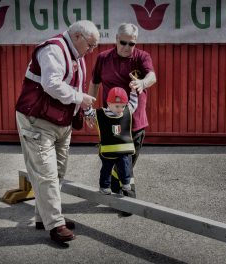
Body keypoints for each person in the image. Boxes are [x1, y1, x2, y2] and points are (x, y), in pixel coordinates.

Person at [15, 20, 99, 244]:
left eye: (94, 47)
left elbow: (75, 88)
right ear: (78, 36)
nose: (91, 51)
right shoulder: (53, 49)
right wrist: (81, 99)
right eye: (90, 45)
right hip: (38, 121)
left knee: (58, 172)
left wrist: (87, 111)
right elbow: (51, 84)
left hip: (61, 123)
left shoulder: (76, 56)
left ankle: (45, 217)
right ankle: (55, 224)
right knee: (47, 173)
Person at [87, 23, 156, 200]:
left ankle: (121, 191)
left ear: (136, 42)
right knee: (113, 158)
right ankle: (127, 196)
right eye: (123, 42)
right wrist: (89, 108)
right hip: (111, 122)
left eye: (131, 44)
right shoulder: (103, 58)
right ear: (116, 39)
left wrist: (142, 83)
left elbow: (152, 76)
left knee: (127, 162)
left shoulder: (141, 57)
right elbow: (94, 83)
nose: (127, 47)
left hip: (135, 122)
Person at [85, 87, 138, 195]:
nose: (120, 109)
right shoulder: (100, 114)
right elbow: (89, 113)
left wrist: (133, 91)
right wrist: (86, 103)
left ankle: (125, 182)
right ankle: (104, 186)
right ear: (109, 104)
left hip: (122, 151)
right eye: (117, 106)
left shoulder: (127, 111)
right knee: (106, 169)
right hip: (107, 152)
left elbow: (133, 103)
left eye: (123, 106)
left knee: (125, 165)